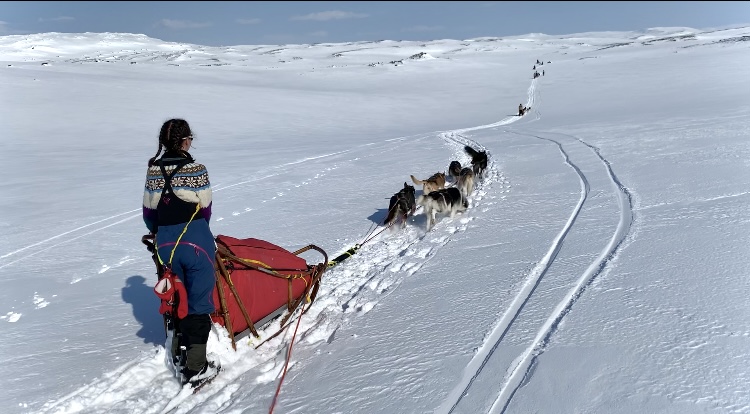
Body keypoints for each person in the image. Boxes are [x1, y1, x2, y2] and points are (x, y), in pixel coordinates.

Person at [143, 118, 217, 385]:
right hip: (196, 242)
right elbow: (205, 208)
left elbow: (149, 214)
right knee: (198, 303)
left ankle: (175, 349)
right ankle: (196, 367)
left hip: (165, 245)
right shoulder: (196, 168)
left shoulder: (153, 171)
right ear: (186, 140)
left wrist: (160, 232)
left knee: (174, 297)